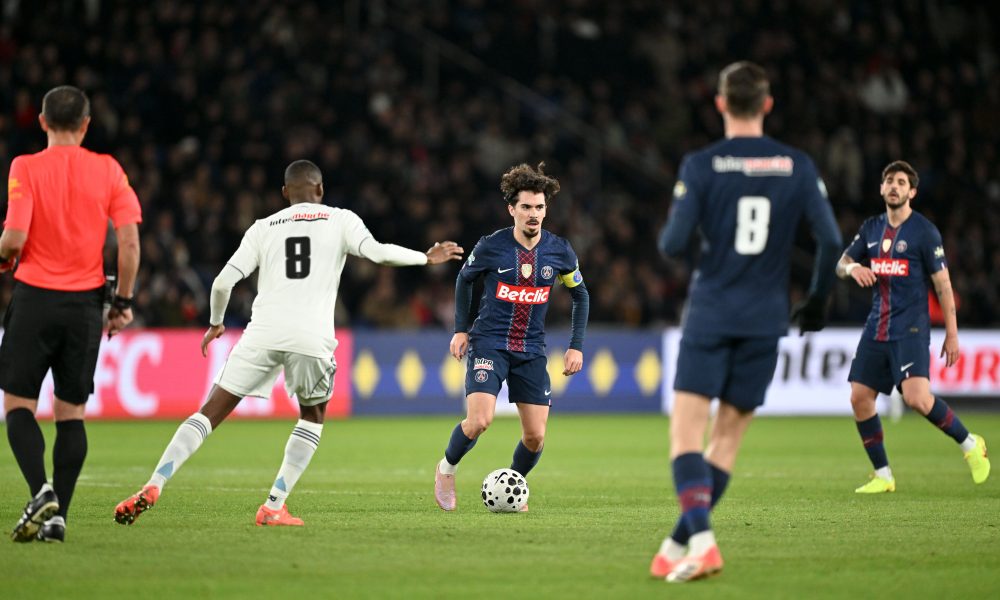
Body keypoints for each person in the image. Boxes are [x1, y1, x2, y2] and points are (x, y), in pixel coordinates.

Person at [113, 160, 463, 527]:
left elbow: (220, 283)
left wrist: (216, 322)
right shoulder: (341, 219)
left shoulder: (263, 227)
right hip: (311, 337)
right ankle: (273, 504)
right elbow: (377, 253)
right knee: (312, 416)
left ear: (285, 194)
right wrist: (426, 256)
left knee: (209, 412)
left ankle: (155, 482)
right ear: (320, 190)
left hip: (262, 332)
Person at [649, 62, 842, 583]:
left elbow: (670, 244)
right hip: (766, 319)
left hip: (711, 313)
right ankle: (675, 545)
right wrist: (819, 300)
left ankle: (705, 544)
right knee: (726, 442)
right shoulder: (797, 165)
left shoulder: (701, 165)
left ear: (719, 103)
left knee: (685, 438)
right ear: (767, 103)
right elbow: (829, 241)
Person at [2, 85, 142, 543]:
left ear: (41, 121)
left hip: (35, 298)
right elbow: (129, 243)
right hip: (85, 305)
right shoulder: (108, 170)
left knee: (19, 406)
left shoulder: (26, 166)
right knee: (71, 413)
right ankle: (59, 515)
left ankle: (40, 490)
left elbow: (14, 237)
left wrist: (4, 257)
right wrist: (121, 302)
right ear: (85, 125)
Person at [433, 162, 589, 512]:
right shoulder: (492, 246)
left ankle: (512, 485)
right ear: (511, 209)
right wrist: (461, 328)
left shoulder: (559, 251)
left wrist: (576, 346)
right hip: (489, 341)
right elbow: (464, 279)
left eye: (539, 207)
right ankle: (446, 470)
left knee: (535, 436)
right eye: (526, 207)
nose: (533, 214)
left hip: (531, 349)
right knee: (480, 421)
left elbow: (581, 295)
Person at [838, 160, 989, 493]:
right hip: (876, 326)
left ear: (912, 192)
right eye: (889, 181)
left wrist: (952, 333)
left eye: (901, 182)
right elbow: (842, 262)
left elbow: (944, 285)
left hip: (911, 328)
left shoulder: (924, 232)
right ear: (881, 189)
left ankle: (970, 444)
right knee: (859, 398)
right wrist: (852, 271)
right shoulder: (871, 228)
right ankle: (883, 475)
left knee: (918, 399)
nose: (894, 186)